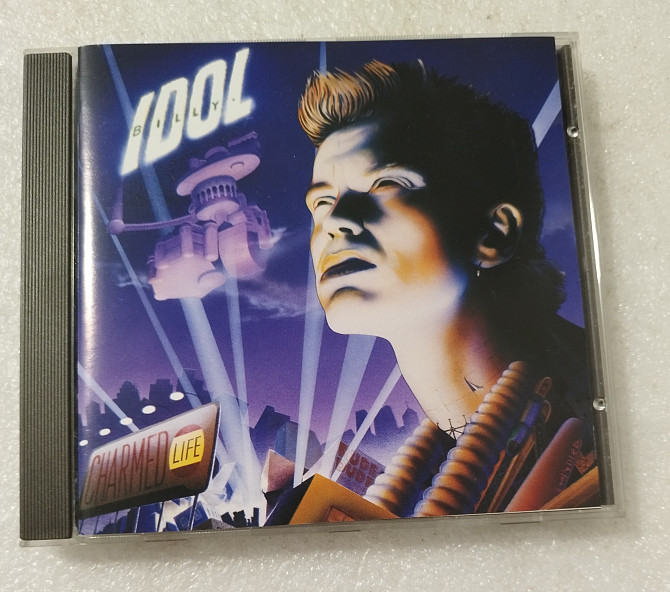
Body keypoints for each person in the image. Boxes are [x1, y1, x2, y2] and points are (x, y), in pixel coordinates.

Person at [298, 60, 598, 516]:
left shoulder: (603, 433)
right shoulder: (436, 467)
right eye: (322, 201)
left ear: (494, 233)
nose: (334, 221)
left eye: (386, 183)